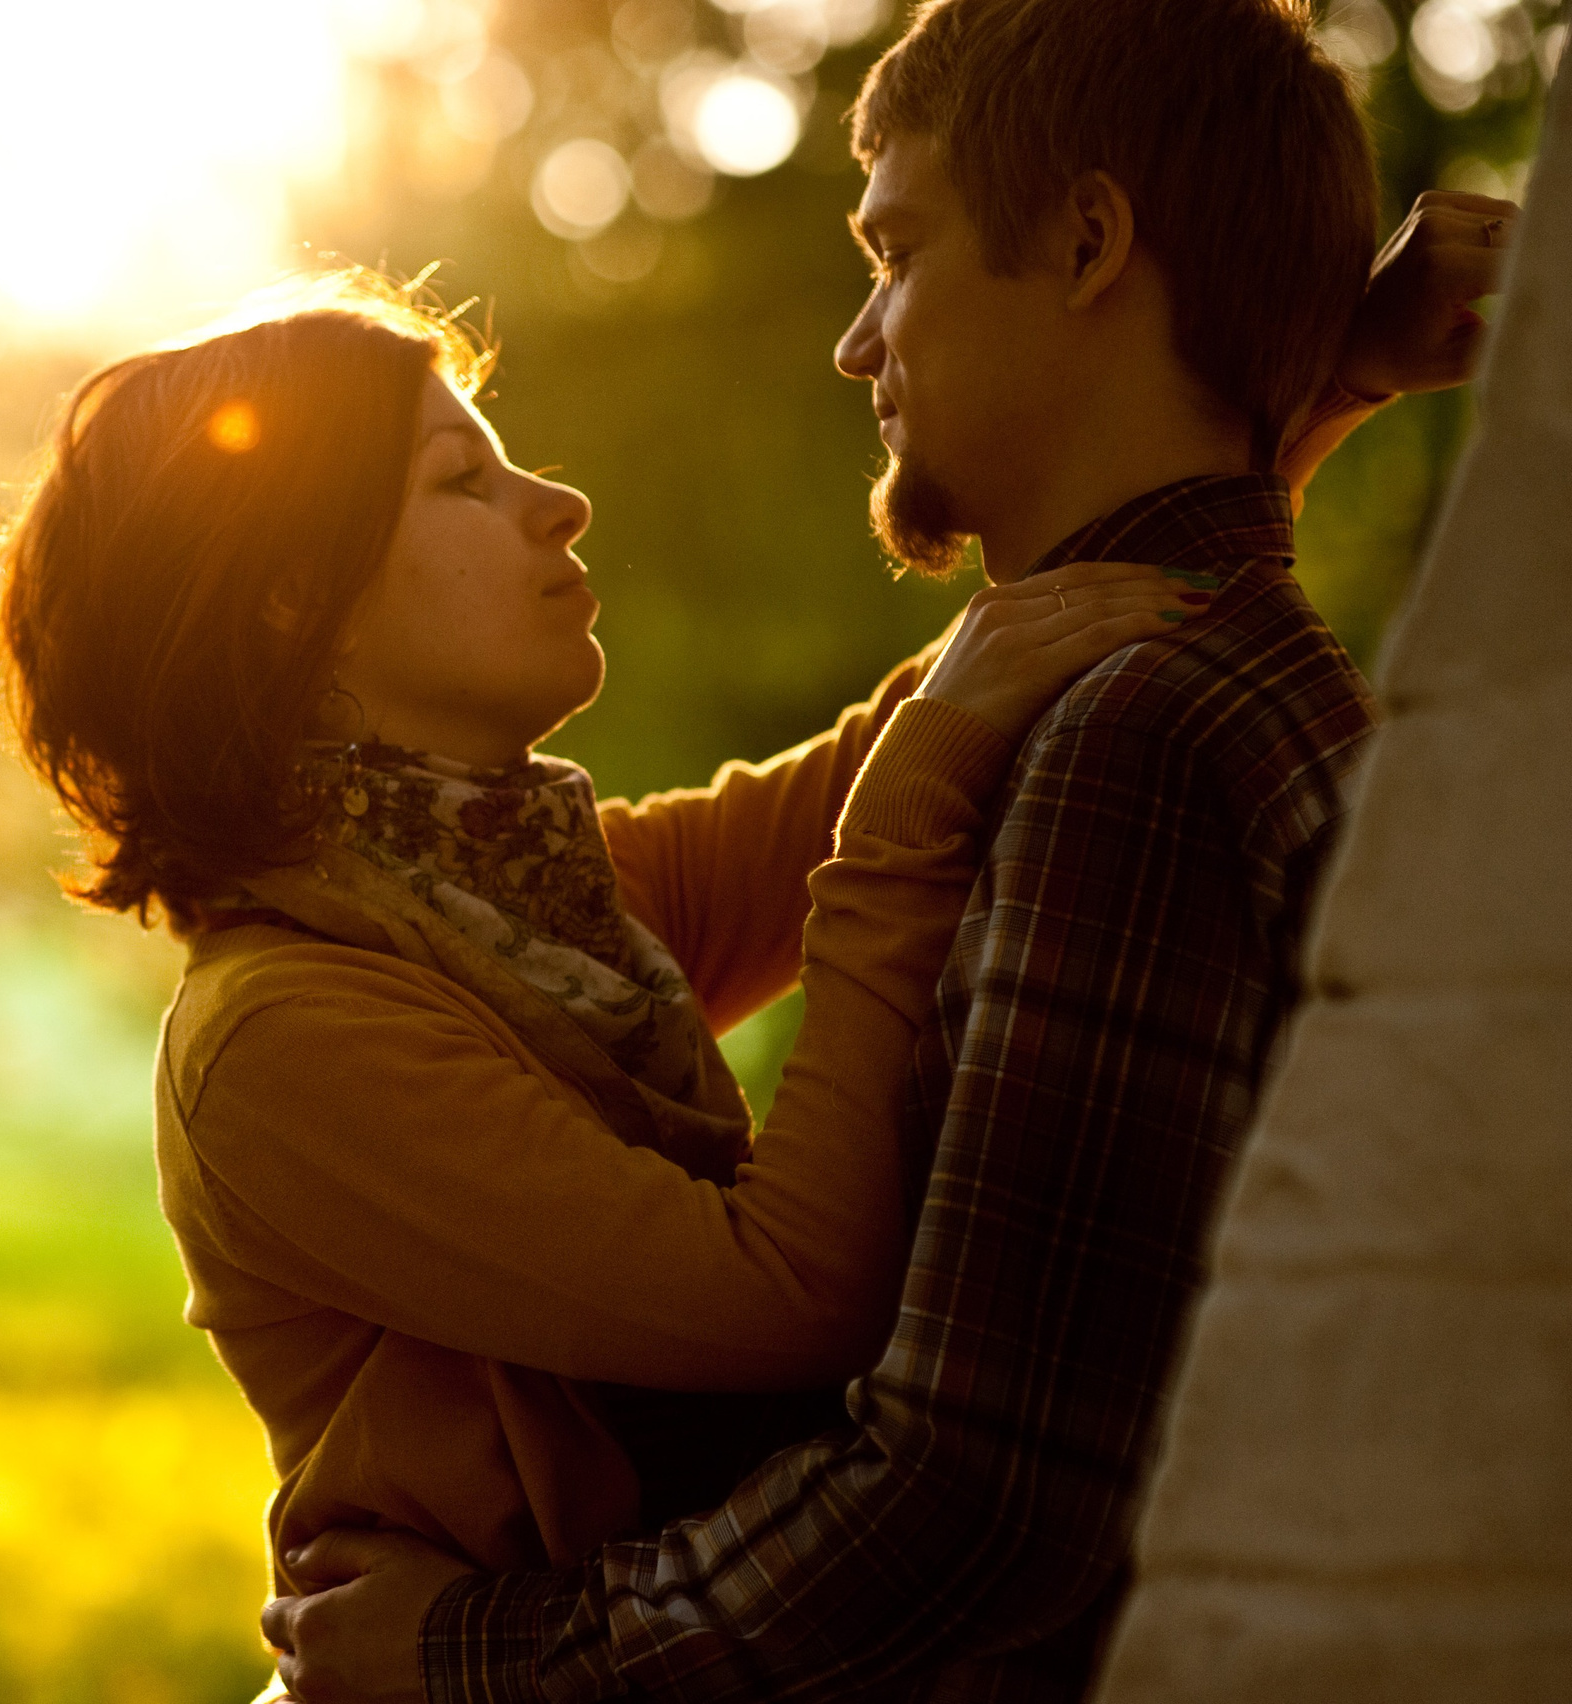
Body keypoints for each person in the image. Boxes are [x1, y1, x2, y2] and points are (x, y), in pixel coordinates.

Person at [254, 2, 1518, 1701]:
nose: (858, 342)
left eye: (896, 251)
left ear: (1084, 242)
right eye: (455, 485)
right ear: (287, 619)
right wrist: (1279, 382)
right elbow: (942, 719)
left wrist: (475, 1657)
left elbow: (975, 1508)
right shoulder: (390, 975)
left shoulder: (1124, 741)